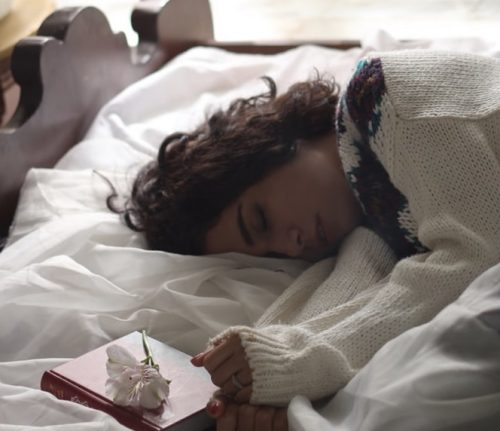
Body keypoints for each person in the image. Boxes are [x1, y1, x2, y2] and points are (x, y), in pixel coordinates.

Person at [111, 49, 500, 431]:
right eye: (274, 253)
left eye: (261, 220)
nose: (293, 246)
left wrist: (301, 363)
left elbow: (478, 253)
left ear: (268, 145)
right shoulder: (372, 209)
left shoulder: (383, 100)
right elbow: (353, 288)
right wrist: (258, 381)